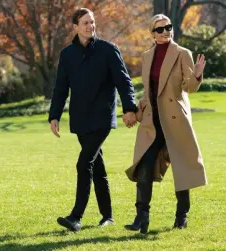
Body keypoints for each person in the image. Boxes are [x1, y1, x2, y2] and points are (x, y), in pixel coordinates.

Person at [48, 8, 138, 232]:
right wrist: (54, 115)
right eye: (85, 23)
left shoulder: (109, 50)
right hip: (80, 119)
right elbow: (61, 87)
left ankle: (76, 217)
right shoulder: (67, 54)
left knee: (83, 162)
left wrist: (129, 108)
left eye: (92, 22)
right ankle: (107, 216)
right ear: (75, 27)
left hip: (102, 117)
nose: (90, 26)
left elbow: (124, 82)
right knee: (97, 166)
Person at [124, 14, 208, 234]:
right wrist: (136, 111)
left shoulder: (182, 53)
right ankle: (141, 217)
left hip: (175, 119)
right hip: (153, 121)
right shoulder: (147, 55)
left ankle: (182, 216)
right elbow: (148, 91)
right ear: (152, 33)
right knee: (144, 165)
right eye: (159, 29)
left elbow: (188, 87)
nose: (165, 32)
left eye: (168, 28)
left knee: (181, 168)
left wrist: (197, 75)